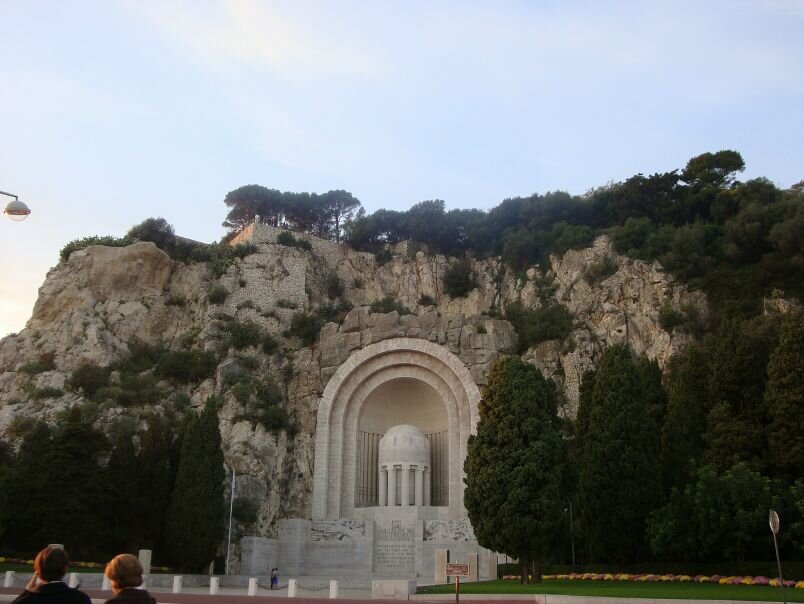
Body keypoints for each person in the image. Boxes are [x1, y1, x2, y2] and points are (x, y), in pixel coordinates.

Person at [12, 546, 91, 604]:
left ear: (37, 570)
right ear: (65, 568)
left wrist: (27, 591)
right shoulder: (80, 599)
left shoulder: (27, 600)